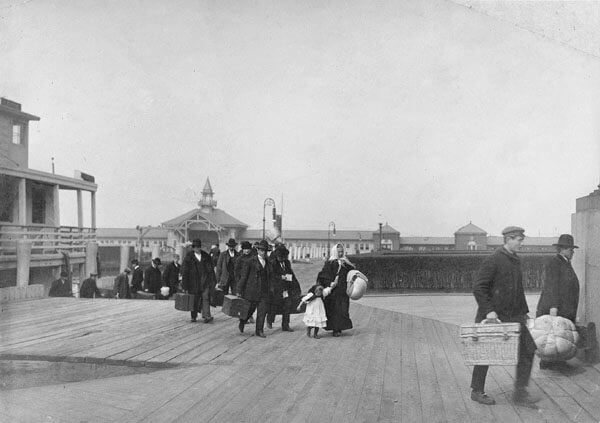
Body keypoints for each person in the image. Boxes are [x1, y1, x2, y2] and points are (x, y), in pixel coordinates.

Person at [471, 226, 537, 406]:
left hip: (515, 316)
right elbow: (479, 287)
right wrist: (489, 310)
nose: (521, 243)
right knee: (485, 352)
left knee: (528, 349)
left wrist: (524, 313)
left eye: (521, 239)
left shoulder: (515, 260)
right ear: (508, 239)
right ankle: (477, 391)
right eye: (519, 239)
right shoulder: (494, 260)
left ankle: (520, 392)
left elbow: (518, 290)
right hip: (494, 316)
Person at [536, 233, 580, 369]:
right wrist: (553, 307)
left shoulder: (565, 262)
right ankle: (548, 362)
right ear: (563, 249)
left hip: (565, 307)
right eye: (570, 249)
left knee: (558, 336)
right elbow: (552, 286)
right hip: (556, 307)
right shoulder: (555, 262)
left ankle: (556, 361)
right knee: (552, 335)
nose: (572, 252)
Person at [237, 239, 273, 338]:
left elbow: (271, 277)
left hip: (264, 292)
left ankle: (259, 331)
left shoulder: (269, 263)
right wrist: (239, 290)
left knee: (262, 311)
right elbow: (244, 277)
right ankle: (243, 321)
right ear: (258, 250)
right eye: (262, 250)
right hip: (252, 291)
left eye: (265, 251)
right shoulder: (250, 262)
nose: (264, 252)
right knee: (249, 310)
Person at [317, 243, 354, 337]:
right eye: (339, 252)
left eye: (342, 251)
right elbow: (323, 276)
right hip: (334, 291)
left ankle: (340, 327)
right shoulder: (330, 263)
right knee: (335, 310)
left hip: (343, 290)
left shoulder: (345, 262)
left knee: (343, 309)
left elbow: (351, 273)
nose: (341, 254)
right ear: (335, 252)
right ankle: (335, 329)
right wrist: (330, 283)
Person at [267, 245, 300, 331]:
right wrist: (281, 277)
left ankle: (285, 325)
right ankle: (270, 320)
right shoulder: (273, 263)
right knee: (274, 306)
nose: (280, 258)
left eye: (282, 257)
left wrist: (295, 286)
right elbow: (271, 276)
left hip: (286, 289)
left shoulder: (287, 263)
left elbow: (291, 274)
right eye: (279, 257)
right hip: (276, 289)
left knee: (287, 305)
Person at [181, 239, 215, 323]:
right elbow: (184, 272)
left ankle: (207, 316)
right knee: (194, 299)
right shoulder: (188, 257)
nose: (197, 249)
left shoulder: (206, 256)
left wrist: (213, 281)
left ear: (200, 247)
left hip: (205, 281)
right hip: (193, 282)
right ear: (193, 248)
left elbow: (211, 270)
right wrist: (184, 285)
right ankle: (194, 316)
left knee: (205, 298)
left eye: (198, 247)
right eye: (195, 247)